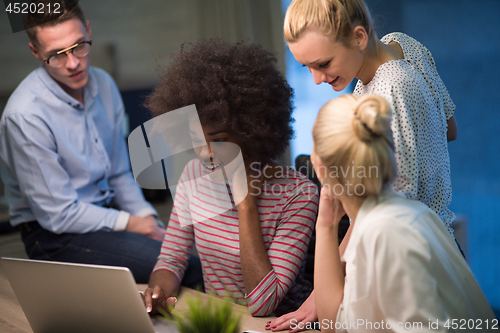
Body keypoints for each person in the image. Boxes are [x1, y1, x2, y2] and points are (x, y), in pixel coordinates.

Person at [268, 0, 459, 330]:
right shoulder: (402, 44)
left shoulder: (387, 92)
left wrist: (321, 295)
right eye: (306, 67)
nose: (316, 79)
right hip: (440, 246)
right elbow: (449, 128)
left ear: (358, 37)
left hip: (414, 265)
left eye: (323, 63)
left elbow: (382, 208)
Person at [0, 0, 202, 285]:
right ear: (35, 52)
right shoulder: (25, 116)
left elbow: (118, 173)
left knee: (192, 252)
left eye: (79, 45)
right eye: (56, 55)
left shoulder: (104, 85)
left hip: (107, 215)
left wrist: (149, 220)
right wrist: (134, 225)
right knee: (187, 268)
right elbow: (59, 215)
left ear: (89, 31)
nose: (73, 63)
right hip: (54, 236)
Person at [141, 38, 318, 317]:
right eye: (196, 140)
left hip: (280, 323)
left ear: (251, 130)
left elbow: (262, 304)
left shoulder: (298, 195)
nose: (205, 154)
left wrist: (246, 205)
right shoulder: (192, 176)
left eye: (219, 140)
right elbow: (172, 258)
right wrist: (158, 292)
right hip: (225, 320)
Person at [308, 94, 494, 332]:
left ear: (320, 167)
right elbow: (333, 324)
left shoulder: (387, 232)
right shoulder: (387, 218)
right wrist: (325, 225)